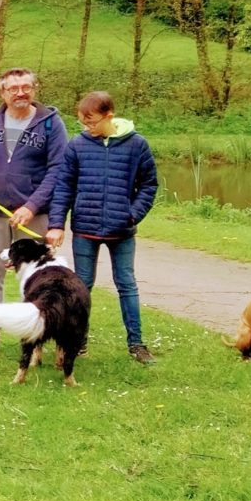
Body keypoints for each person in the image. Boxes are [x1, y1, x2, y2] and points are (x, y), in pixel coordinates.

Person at [47, 90, 159, 364]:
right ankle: (77, 342)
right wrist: (56, 224)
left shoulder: (137, 145)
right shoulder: (77, 146)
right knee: (81, 287)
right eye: (84, 124)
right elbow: (64, 186)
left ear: (109, 116)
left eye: (93, 122)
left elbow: (149, 185)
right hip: (85, 229)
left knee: (127, 284)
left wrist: (132, 215)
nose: (88, 128)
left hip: (122, 231)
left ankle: (137, 344)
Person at [0, 68, 69, 352]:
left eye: (26, 87)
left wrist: (31, 206)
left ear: (35, 88)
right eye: (13, 88)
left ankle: (37, 333)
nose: (20, 93)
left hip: (33, 218)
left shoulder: (51, 124)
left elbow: (58, 169)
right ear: (2, 93)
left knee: (38, 278)